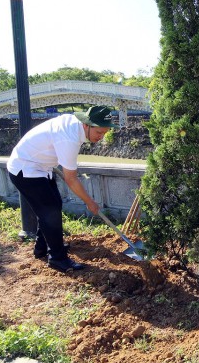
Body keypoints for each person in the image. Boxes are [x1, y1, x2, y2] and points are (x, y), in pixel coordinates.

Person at [7, 105, 119, 272]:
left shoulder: (76, 126)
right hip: (26, 169)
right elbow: (71, 178)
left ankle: (42, 247)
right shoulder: (70, 138)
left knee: (53, 205)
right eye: (98, 133)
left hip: (41, 167)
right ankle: (57, 258)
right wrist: (90, 202)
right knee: (49, 211)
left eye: (104, 133)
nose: (101, 137)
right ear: (86, 124)